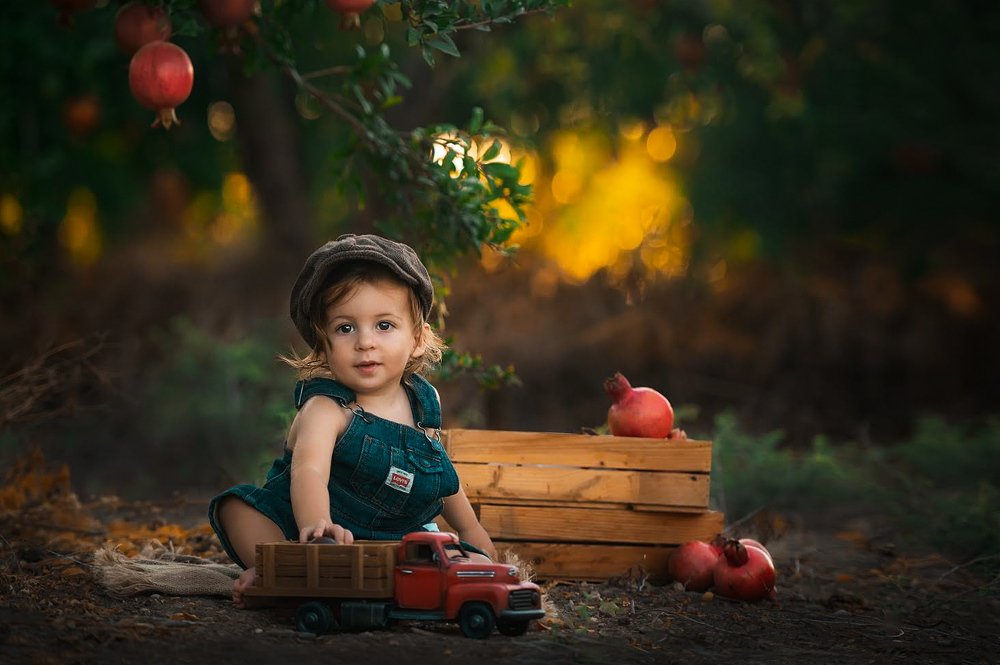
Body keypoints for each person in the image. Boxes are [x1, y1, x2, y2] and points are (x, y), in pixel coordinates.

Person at [208, 233, 497, 606]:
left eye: (384, 325)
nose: (365, 342)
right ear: (323, 344)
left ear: (419, 338)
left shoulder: (423, 404)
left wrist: (472, 530)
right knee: (237, 508)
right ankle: (279, 566)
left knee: (441, 548)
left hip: (391, 536)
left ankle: (326, 578)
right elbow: (308, 472)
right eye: (345, 328)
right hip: (309, 530)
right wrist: (317, 526)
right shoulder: (326, 408)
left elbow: (439, 471)